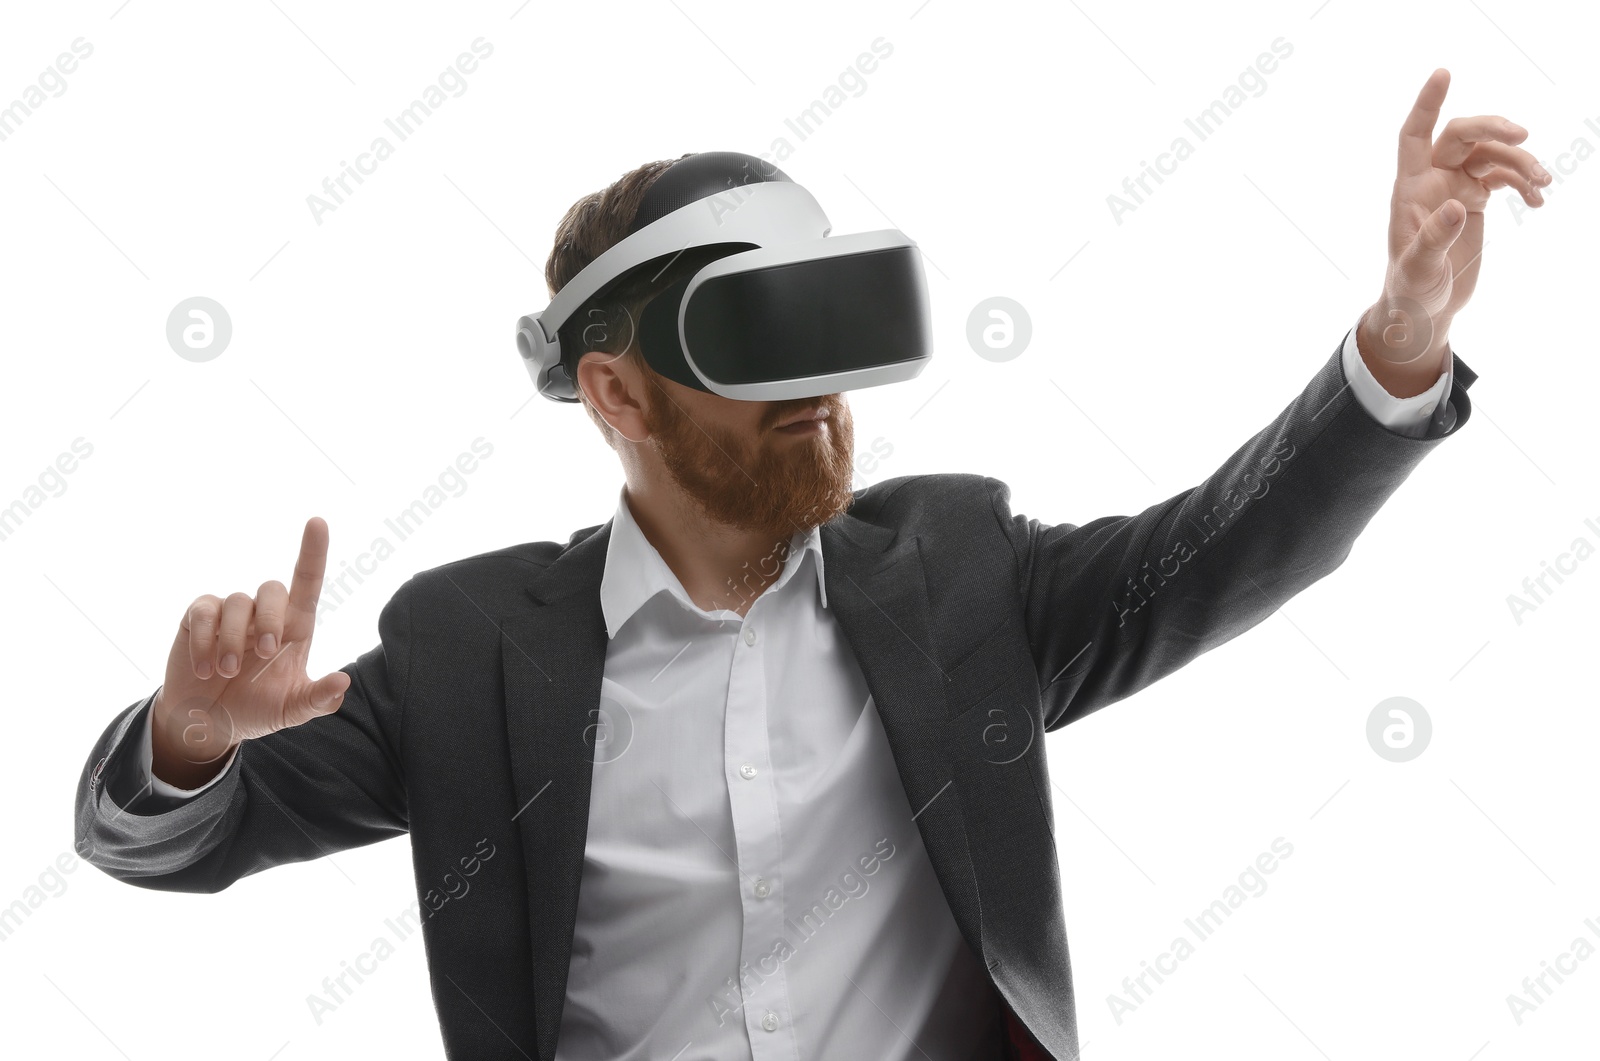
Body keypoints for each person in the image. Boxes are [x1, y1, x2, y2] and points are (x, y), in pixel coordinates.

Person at [75, 69, 1549, 1061]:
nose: (819, 393)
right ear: (616, 395)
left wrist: (1402, 341)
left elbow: (1226, 549)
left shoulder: (959, 577)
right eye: (759, 343)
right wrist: (194, 738)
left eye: (830, 334)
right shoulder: (472, 648)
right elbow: (162, 842)